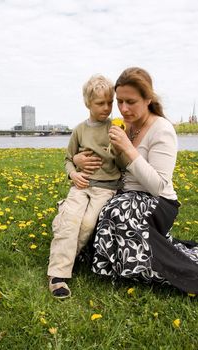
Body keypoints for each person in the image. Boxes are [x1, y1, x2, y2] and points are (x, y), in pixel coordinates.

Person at [74, 67, 198, 294]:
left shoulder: (162, 130)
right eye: (119, 101)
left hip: (158, 201)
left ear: (148, 99)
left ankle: (170, 269)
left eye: (130, 102)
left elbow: (158, 186)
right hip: (123, 193)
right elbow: (104, 158)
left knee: (116, 212)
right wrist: (78, 159)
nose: (123, 108)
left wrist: (129, 150)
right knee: (91, 211)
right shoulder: (124, 125)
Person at [47, 74, 122, 298]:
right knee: (71, 218)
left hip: (106, 187)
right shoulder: (79, 130)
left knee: (88, 223)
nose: (107, 108)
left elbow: (121, 161)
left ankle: (67, 254)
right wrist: (73, 172)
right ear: (87, 103)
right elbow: (68, 159)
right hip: (81, 184)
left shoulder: (115, 127)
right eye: (101, 103)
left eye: (110, 102)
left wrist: (119, 145)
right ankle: (58, 275)